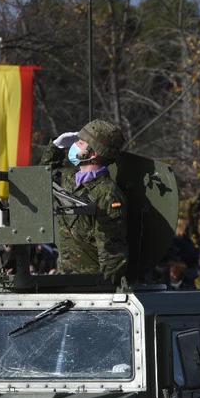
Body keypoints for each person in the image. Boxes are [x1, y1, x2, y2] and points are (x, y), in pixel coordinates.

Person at [51, 120, 128, 282]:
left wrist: (107, 292)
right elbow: (39, 179)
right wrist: (55, 148)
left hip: (90, 284)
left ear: (93, 154)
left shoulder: (107, 194)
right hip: (65, 279)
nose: (74, 145)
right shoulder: (69, 179)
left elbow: (111, 251)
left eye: (80, 142)